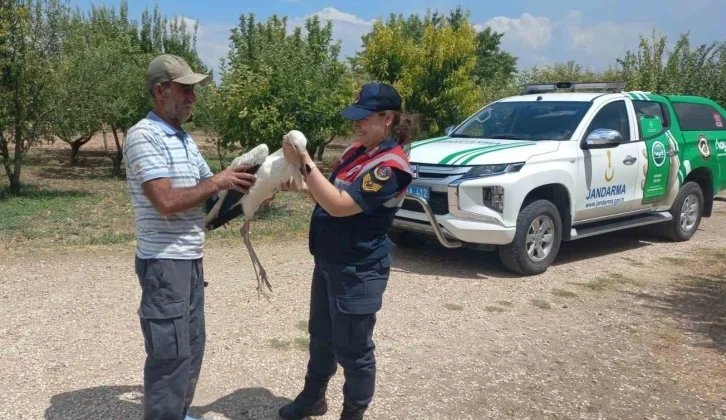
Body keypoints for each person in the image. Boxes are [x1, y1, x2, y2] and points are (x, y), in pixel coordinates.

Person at [123, 54, 259, 420]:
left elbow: (210, 195)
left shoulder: (182, 138)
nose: (192, 98)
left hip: (190, 258)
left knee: (192, 347)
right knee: (169, 354)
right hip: (164, 263)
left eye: (193, 91)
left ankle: (177, 413)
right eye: (185, 90)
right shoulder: (144, 136)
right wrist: (218, 180)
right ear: (160, 90)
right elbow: (166, 201)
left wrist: (250, 191)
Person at [279, 82, 417, 420]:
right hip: (330, 261)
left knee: (354, 351)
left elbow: (341, 205)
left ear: (388, 118)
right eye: (354, 118)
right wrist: (298, 182)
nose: (356, 125)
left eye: (364, 118)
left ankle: (353, 414)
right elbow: (327, 193)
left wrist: (305, 159)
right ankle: (313, 397)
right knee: (321, 337)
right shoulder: (357, 152)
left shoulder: (390, 167)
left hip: (359, 269)